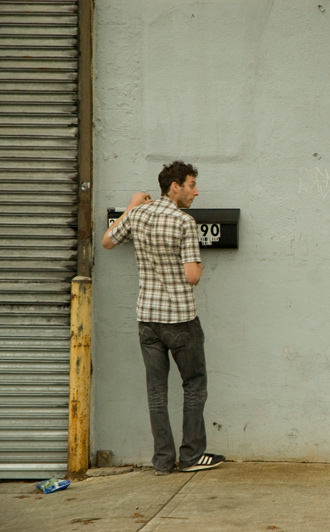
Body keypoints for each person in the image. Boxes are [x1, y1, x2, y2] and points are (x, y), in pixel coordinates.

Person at [102, 161, 225, 475]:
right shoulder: (184, 222)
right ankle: (191, 457)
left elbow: (108, 241)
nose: (196, 192)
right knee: (194, 384)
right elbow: (192, 276)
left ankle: (162, 461)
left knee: (156, 390)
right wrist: (198, 266)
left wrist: (130, 207)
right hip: (180, 318)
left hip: (147, 318)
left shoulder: (139, 215)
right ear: (175, 187)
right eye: (191, 185)